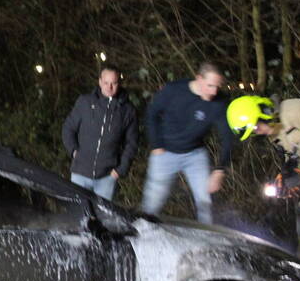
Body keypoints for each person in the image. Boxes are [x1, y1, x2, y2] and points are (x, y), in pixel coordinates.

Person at [228, 94, 300, 276]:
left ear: (263, 112)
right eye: (253, 132)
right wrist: (295, 175)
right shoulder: (275, 131)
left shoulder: (296, 111)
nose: (258, 132)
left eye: (256, 127)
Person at [141, 62, 235, 224]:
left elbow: (227, 136)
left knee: (206, 201)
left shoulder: (219, 103)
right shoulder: (174, 90)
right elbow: (152, 113)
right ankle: (140, 232)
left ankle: (207, 239)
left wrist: (220, 170)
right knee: (153, 200)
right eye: (210, 85)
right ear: (199, 79)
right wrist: (156, 144)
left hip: (195, 155)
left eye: (217, 86)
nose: (213, 91)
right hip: (165, 153)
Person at [61, 65, 138, 200]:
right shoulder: (85, 102)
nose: (109, 87)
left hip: (107, 177)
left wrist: (120, 170)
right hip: (80, 173)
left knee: (102, 218)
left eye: (113, 83)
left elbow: (132, 143)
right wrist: (73, 151)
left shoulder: (127, 111)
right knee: (78, 214)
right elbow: (68, 128)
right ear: (100, 82)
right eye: (106, 83)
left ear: (119, 84)